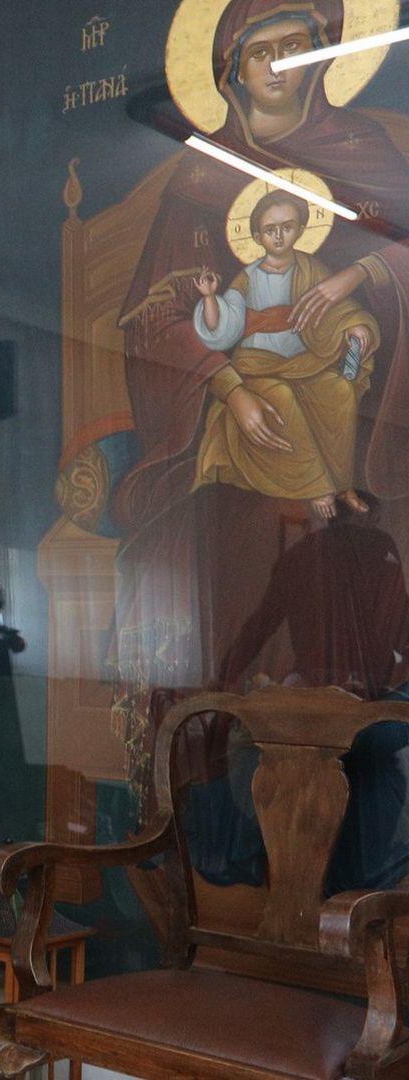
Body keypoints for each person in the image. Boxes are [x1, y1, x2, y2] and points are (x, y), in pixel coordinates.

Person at [109, 0, 409, 768]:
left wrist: (354, 278)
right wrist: (229, 384)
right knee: (238, 562)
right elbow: (154, 318)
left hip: (349, 419)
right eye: (259, 52)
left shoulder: (363, 149)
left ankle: (343, 751)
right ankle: (222, 767)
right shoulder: (201, 173)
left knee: (357, 544)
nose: (277, 66)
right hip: (241, 410)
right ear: (230, 71)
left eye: (295, 46)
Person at [191, 188, 377, 518]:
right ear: (257, 236)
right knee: (282, 398)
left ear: (301, 229)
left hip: (306, 363)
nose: (278, 236)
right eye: (270, 229)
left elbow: (336, 308)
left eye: (287, 227)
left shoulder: (310, 268)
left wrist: (355, 326)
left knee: (339, 391)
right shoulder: (247, 278)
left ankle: (343, 484)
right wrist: (208, 299)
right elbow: (224, 327)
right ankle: (316, 486)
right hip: (257, 366)